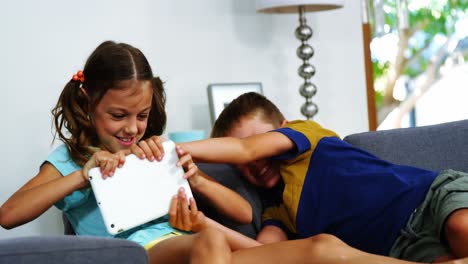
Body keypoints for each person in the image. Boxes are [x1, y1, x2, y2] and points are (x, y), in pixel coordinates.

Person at [0, 41, 255, 263]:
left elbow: (244, 214)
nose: (132, 128)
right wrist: (82, 177)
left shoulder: (152, 150)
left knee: (294, 251)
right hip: (140, 252)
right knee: (210, 239)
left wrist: (195, 177)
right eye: (119, 115)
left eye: (142, 115)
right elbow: (8, 215)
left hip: (192, 248)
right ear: (88, 102)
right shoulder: (71, 159)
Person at [180, 92, 468, 263]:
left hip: (430, 197)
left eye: (260, 144)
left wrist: (174, 151)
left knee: (461, 228)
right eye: (241, 166)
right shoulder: (277, 211)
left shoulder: (306, 138)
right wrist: (205, 223)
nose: (254, 163)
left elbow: (245, 149)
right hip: (401, 247)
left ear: (284, 127)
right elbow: (264, 252)